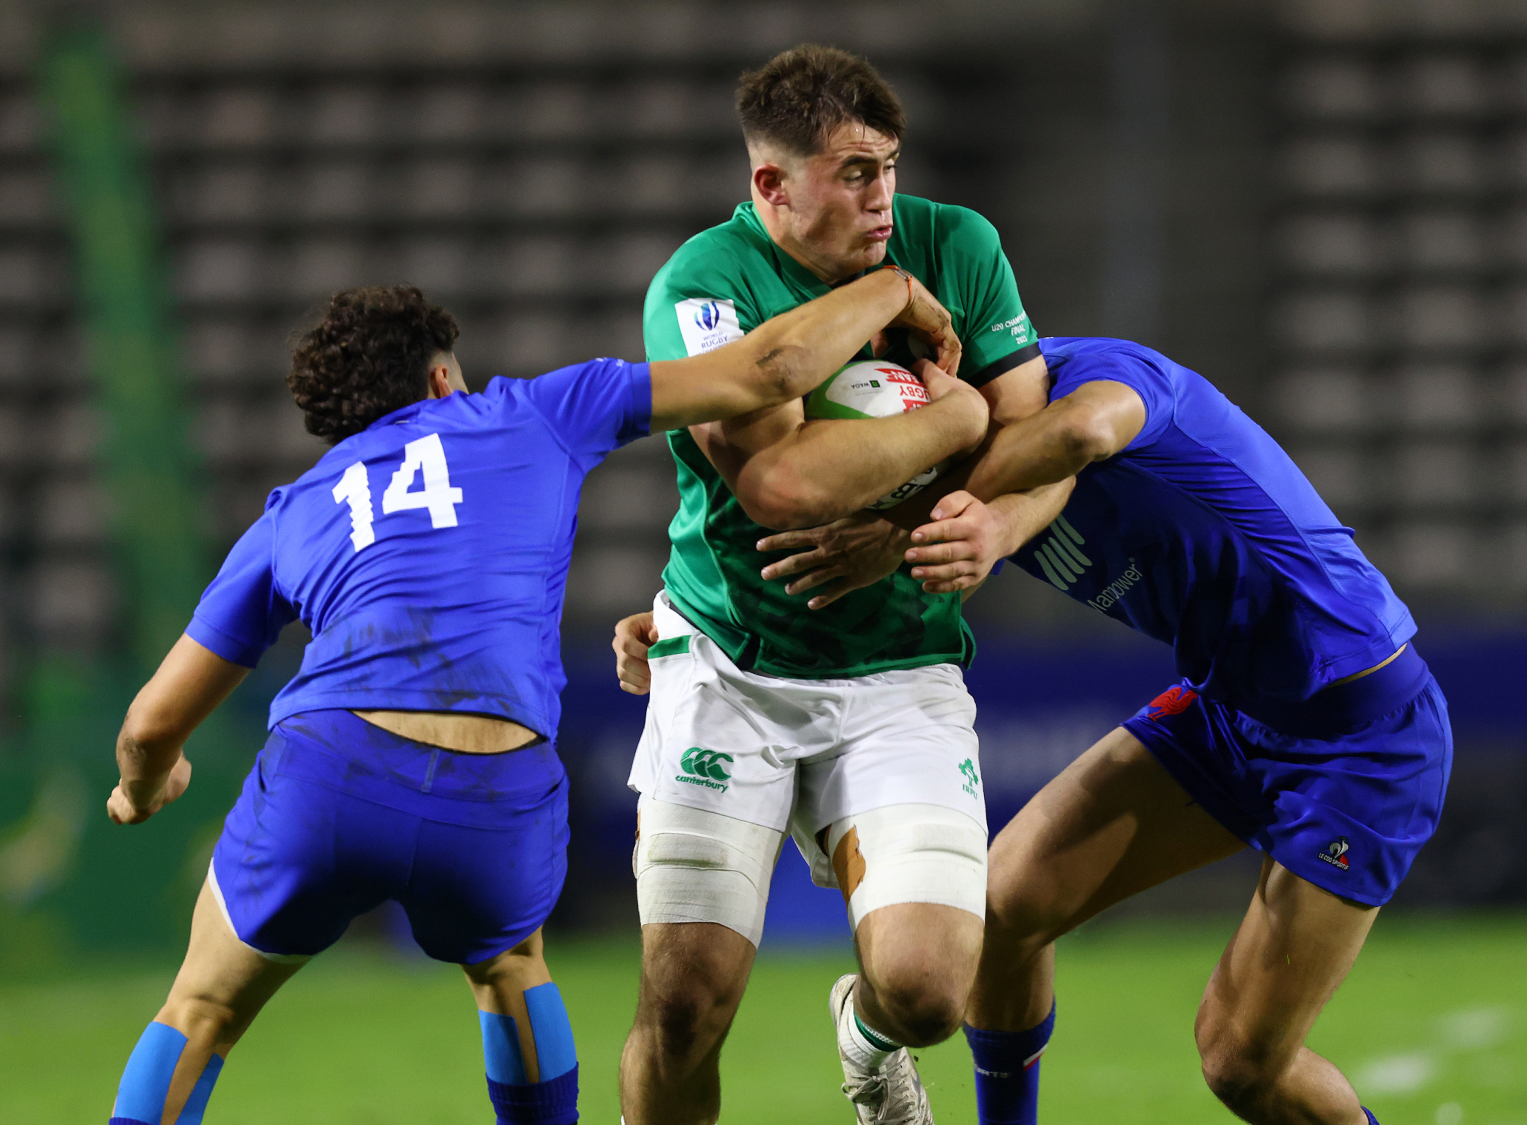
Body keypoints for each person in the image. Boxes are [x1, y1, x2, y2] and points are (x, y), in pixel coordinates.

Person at [96, 271, 969, 1125]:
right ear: (443, 378)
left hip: (333, 770)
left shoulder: (293, 509)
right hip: (497, 785)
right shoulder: (535, 410)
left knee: (202, 1007)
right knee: (511, 966)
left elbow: (151, 722)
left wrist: (145, 785)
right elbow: (767, 368)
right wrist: (888, 289)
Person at [620, 336, 1450, 1125]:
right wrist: (683, 626)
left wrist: (914, 503)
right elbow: (850, 604)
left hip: (1363, 728)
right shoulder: (949, 480)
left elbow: (1085, 434)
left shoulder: (1100, 375)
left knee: (1241, 1059)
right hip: (1226, 710)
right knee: (999, 910)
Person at [621, 43, 1059, 1125]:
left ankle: (865, 1041)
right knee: (683, 1005)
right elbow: (775, 484)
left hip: (899, 667)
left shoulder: (959, 245)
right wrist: (947, 414)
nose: (882, 197)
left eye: (889, 168)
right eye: (853, 172)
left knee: (926, 993)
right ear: (771, 184)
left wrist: (920, 526)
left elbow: (1040, 444)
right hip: (730, 667)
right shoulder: (702, 285)